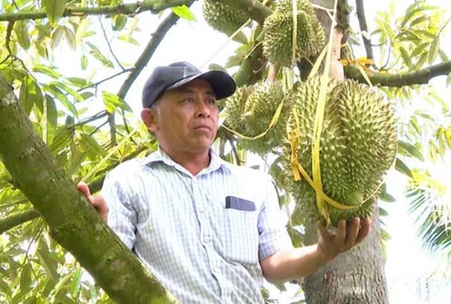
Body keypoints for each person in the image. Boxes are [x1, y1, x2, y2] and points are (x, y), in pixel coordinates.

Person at [76, 62, 371, 304]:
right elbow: (112, 268)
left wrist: (323, 252)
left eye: (210, 101)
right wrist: (96, 234)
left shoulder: (254, 183)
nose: (204, 110)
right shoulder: (129, 181)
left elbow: (274, 263)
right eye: (188, 99)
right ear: (152, 120)